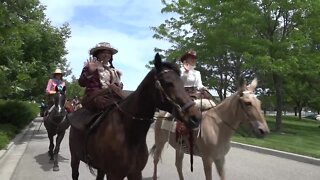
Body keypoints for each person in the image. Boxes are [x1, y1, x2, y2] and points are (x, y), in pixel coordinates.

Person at [78, 42, 124, 112]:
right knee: (112, 89)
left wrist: (119, 86)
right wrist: (90, 72)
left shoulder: (113, 71)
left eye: (108, 53)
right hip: (92, 98)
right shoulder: (90, 65)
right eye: (103, 52)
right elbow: (81, 83)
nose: (106, 55)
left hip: (109, 97)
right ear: (97, 54)